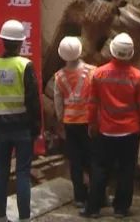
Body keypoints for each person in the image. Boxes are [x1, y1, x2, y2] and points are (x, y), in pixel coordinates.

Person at [81, 33, 140, 219]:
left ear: (112, 51)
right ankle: (121, 208)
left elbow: (92, 103)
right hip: (130, 131)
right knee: (126, 170)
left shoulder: (98, 74)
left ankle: (93, 208)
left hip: (106, 130)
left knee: (100, 169)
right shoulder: (137, 76)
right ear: (130, 54)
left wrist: (91, 123)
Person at [0, 20, 40, 222]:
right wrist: (36, 128)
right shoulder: (24, 65)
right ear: (20, 43)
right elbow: (33, 100)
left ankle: (0, 217)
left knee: (2, 173)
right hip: (22, 128)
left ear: (2, 41)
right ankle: (24, 218)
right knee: (23, 173)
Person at [54, 36, 95, 208]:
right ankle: (96, 194)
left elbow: (58, 102)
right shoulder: (93, 71)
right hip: (89, 122)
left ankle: (79, 197)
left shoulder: (59, 76)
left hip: (70, 123)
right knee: (92, 159)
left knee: (75, 161)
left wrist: (60, 119)